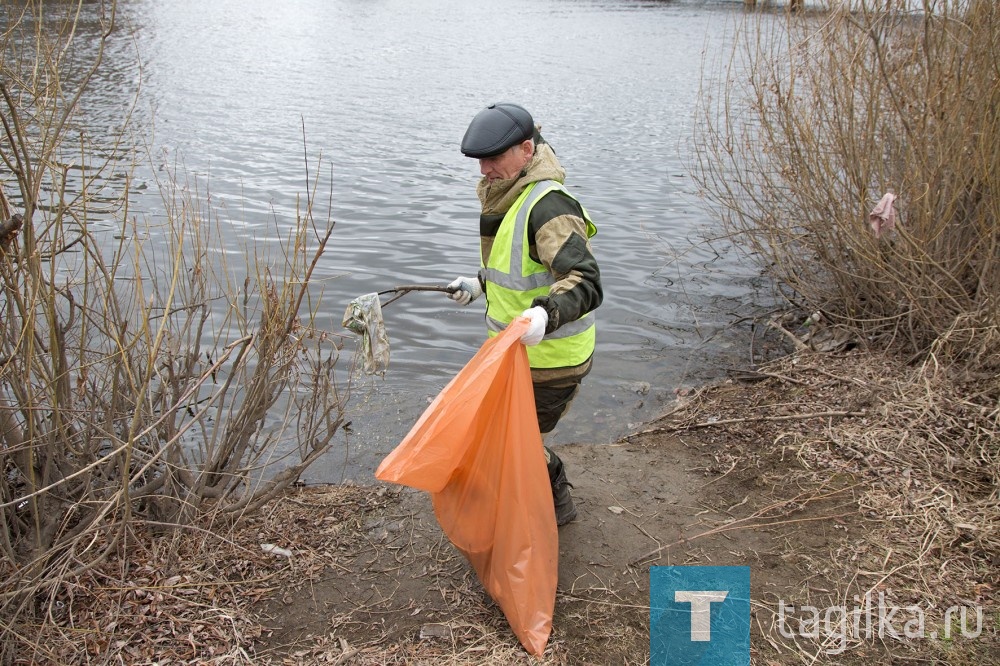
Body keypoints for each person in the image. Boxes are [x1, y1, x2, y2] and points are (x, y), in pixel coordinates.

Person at [446, 102, 602, 526]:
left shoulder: (548, 206)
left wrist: (545, 316)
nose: (484, 170)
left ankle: (553, 503)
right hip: (514, 355)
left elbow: (585, 282)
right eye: (481, 161)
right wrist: (481, 284)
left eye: (493, 158)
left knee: (514, 444)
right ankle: (537, 503)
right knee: (500, 436)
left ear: (526, 149)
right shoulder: (513, 194)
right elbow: (523, 267)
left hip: (552, 361)